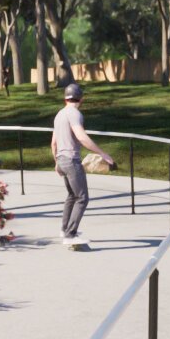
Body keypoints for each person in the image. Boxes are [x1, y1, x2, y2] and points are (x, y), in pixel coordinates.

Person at [52, 82, 114, 249]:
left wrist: (56, 162)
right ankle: (70, 235)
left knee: (72, 196)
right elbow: (82, 137)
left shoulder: (59, 114)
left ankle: (65, 229)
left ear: (65, 98)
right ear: (81, 99)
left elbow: (54, 142)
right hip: (71, 160)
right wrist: (102, 153)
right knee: (82, 198)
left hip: (62, 160)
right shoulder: (74, 114)